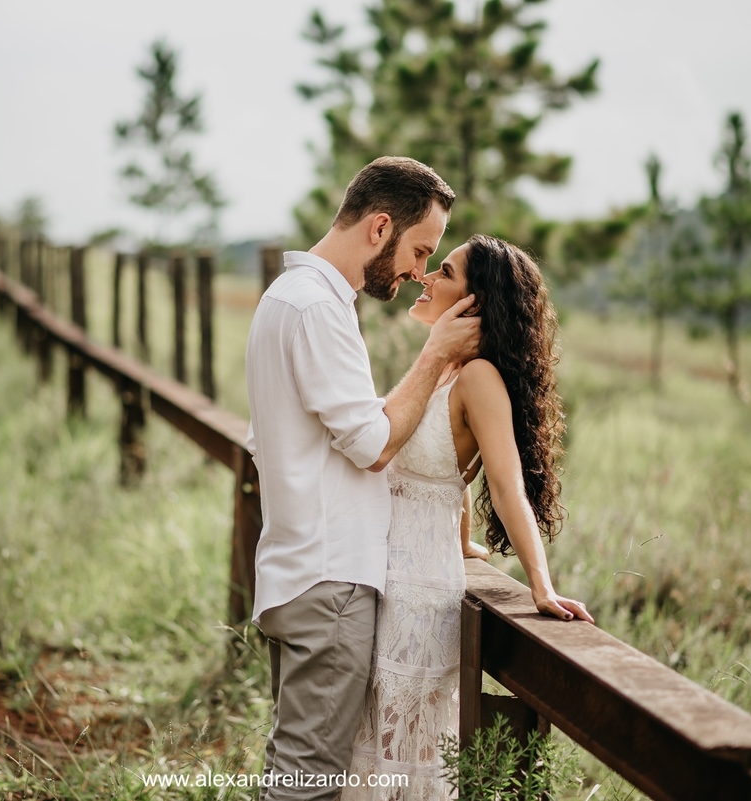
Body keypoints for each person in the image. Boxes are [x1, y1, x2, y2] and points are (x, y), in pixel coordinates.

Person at [245, 156, 481, 800]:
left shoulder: (285, 298)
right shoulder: (317, 309)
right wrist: (436, 355)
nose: (420, 272)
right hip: (330, 583)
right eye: (420, 250)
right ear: (380, 227)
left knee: (295, 768)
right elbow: (373, 446)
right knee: (307, 783)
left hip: (297, 569)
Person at [345, 234, 594, 800]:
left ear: (474, 303)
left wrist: (541, 585)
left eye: (446, 272)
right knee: (369, 748)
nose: (426, 277)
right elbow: (442, 477)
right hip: (379, 577)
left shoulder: (479, 378)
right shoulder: (440, 369)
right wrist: (462, 542)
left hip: (415, 595)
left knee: (406, 756)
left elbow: (504, 486)